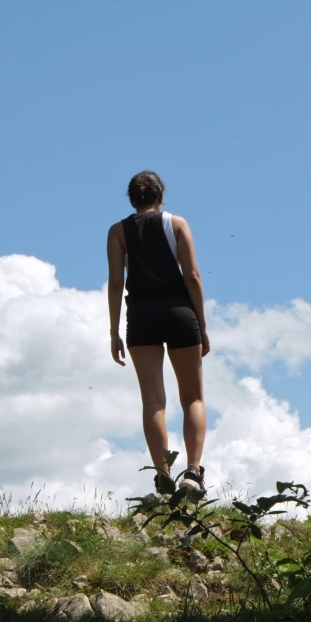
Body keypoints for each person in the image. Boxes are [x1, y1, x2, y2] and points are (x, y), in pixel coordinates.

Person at [106, 170, 210, 496]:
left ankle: (163, 479)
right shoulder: (177, 224)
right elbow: (191, 275)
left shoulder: (117, 231)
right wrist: (202, 325)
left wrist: (113, 331)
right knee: (192, 396)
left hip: (141, 315)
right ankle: (192, 473)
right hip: (179, 313)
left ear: (132, 199)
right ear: (160, 195)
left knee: (153, 401)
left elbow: (115, 282)